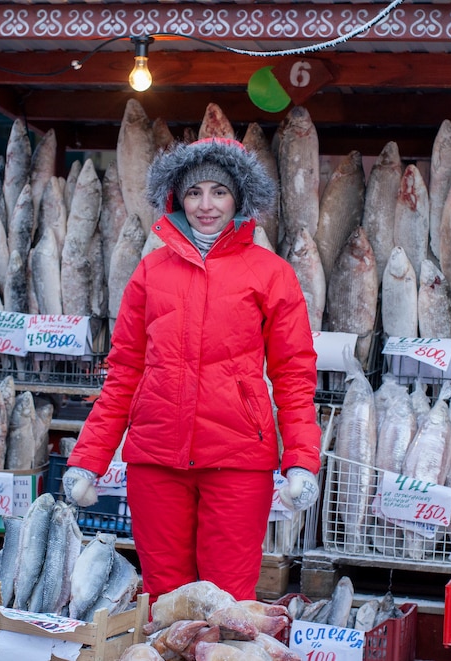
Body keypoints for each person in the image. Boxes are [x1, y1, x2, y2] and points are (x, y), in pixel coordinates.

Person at [63, 137, 322, 601]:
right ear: (176, 197)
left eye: (219, 192)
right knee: (167, 600)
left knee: (227, 602)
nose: (206, 205)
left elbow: (294, 375)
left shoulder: (271, 273)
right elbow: (124, 371)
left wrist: (301, 459)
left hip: (238, 461)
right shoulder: (150, 272)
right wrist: (88, 458)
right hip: (156, 461)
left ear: (238, 197)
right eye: (194, 192)